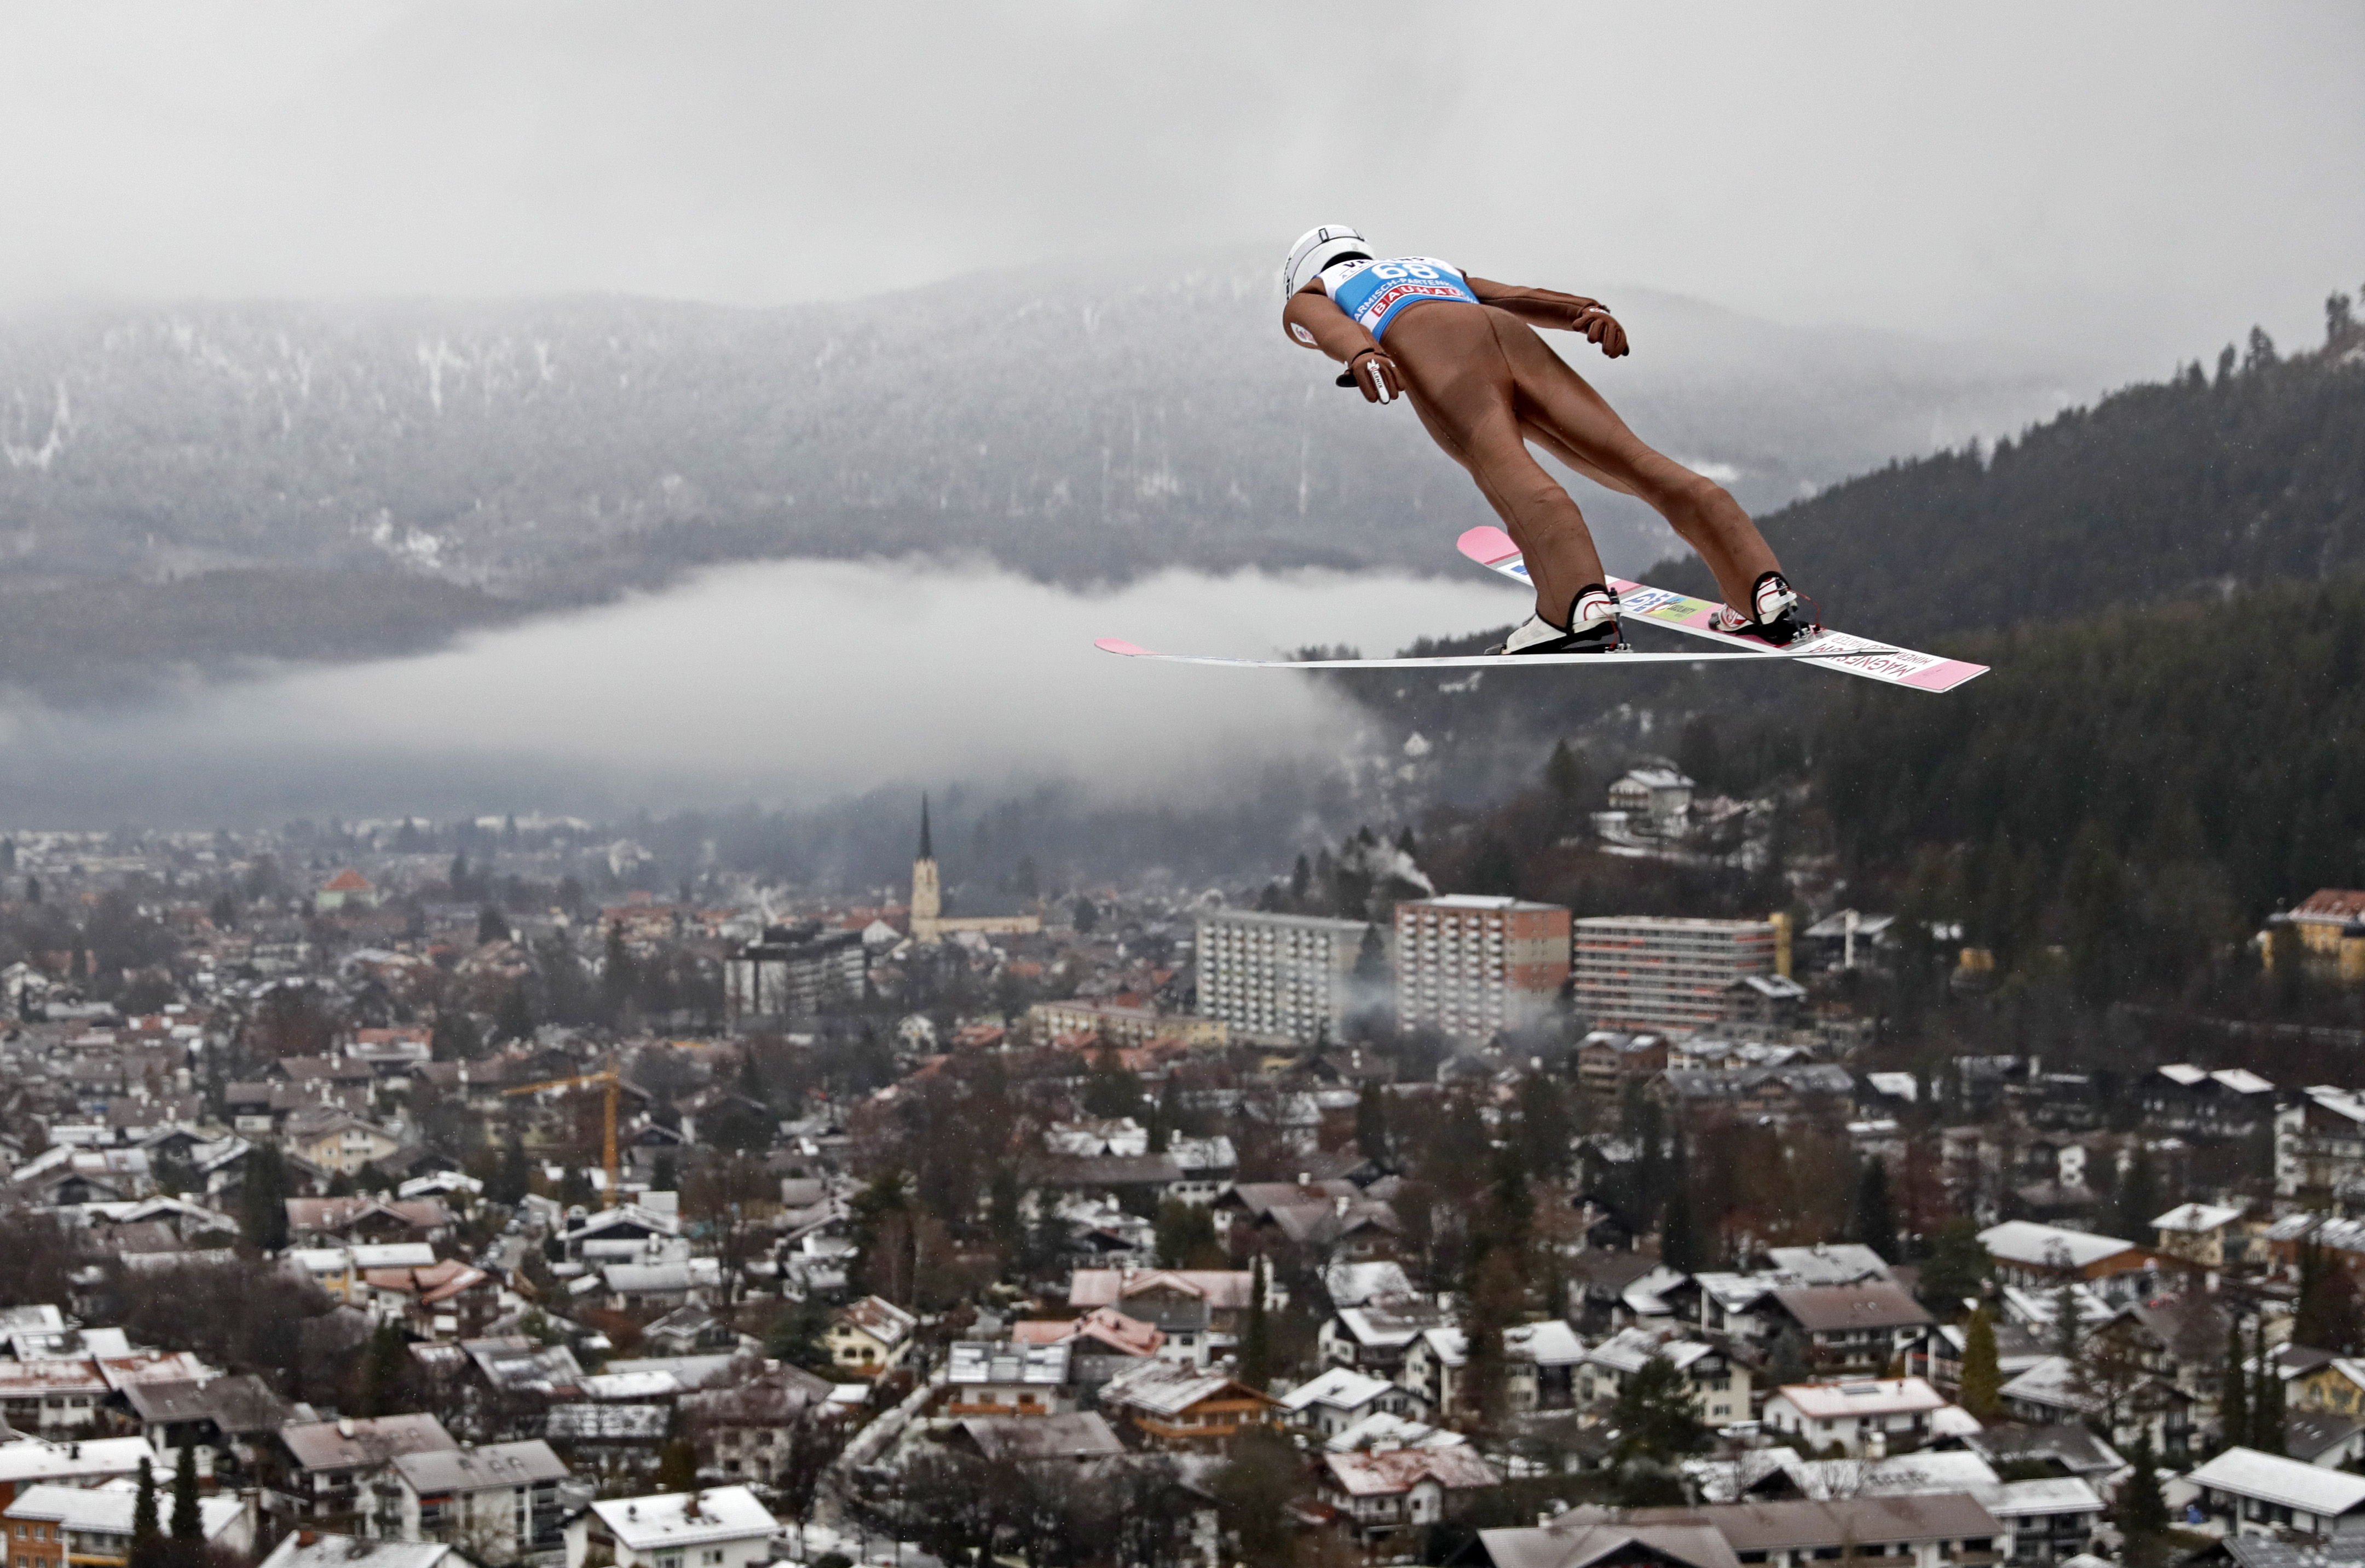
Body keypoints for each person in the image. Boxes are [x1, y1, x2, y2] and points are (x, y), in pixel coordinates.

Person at [1280, 224, 1809, 654]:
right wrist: (1583, 312)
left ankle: (1574, 603)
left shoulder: (1316, 291)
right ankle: (1759, 588)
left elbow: (1321, 325)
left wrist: (1362, 353)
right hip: (1507, 333)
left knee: (1504, 465)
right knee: (1632, 459)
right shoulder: (1429, 266)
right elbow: (1514, 297)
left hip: (1436, 351)